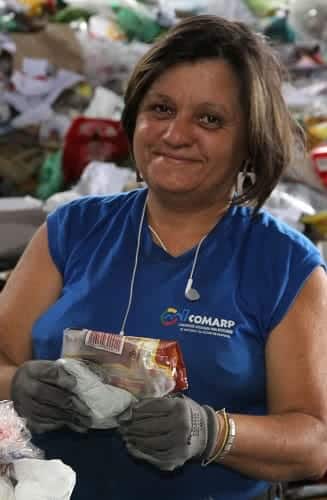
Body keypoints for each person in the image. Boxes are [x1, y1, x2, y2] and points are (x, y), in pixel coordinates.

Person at [0, 14, 326, 500]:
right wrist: (19, 385)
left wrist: (213, 433)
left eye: (210, 119)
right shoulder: (73, 230)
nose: (175, 134)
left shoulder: (284, 266)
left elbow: (313, 440)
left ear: (250, 139)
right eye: (161, 109)